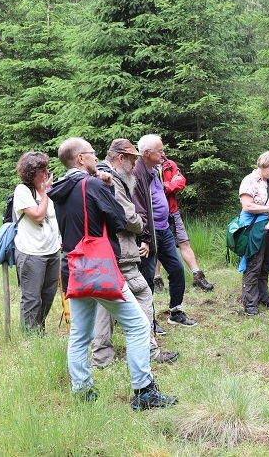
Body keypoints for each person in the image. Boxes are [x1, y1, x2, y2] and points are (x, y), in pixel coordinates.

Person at [47, 137, 176, 410]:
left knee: (81, 334)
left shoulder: (58, 189)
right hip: (100, 268)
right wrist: (105, 186)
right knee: (139, 325)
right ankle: (144, 392)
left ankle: (82, 391)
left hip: (74, 266)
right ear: (81, 159)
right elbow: (118, 220)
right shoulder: (92, 184)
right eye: (92, 154)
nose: (96, 158)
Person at [91, 139, 179, 367]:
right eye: (131, 159)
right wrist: (142, 226)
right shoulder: (112, 180)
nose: (133, 165)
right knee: (143, 295)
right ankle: (149, 351)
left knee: (107, 303)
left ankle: (102, 357)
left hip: (106, 252)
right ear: (121, 158)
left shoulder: (101, 176)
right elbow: (128, 217)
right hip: (121, 252)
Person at [133, 134, 195, 327]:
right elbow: (138, 208)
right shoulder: (137, 173)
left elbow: (174, 184)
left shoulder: (156, 170)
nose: (164, 154)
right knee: (148, 276)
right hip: (149, 233)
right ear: (146, 153)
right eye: (160, 151)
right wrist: (145, 236)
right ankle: (148, 320)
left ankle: (176, 312)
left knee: (177, 269)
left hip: (164, 229)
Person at [12, 151, 60, 333]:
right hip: (31, 252)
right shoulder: (22, 191)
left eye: (47, 168)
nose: (47, 172)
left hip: (52, 250)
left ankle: (39, 330)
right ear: (31, 173)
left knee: (48, 295)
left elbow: (54, 218)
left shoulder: (48, 190)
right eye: (42, 170)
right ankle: (30, 337)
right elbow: (38, 216)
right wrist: (45, 192)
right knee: (32, 298)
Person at [154, 154, 214, 292]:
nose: (162, 153)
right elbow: (152, 190)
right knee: (157, 247)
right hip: (155, 214)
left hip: (173, 211)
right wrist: (167, 185)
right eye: (159, 149)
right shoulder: (145, 167)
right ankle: (156, 279)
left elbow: (181, 182)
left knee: (184, 242)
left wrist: (166, 186)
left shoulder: (169, 164)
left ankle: (197, 276)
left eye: (162, 149)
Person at [238, 151, 269, 316]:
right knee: (254, 264)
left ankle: (264, 297)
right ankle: (250, 302)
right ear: (263, 164)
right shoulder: (249, 181)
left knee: (266, 263)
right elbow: (247, 206)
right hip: (253, 228)